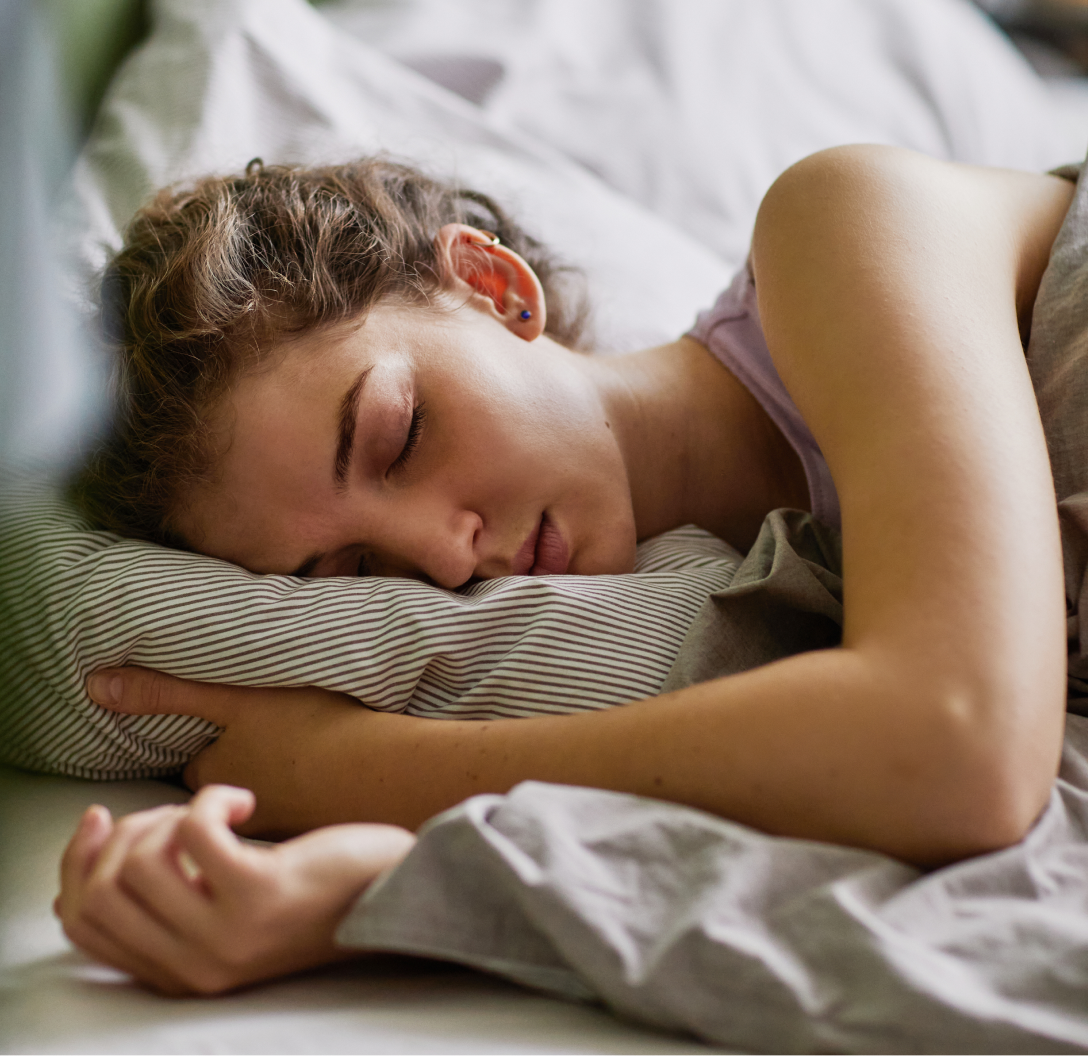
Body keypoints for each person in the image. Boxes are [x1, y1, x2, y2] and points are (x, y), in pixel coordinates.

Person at [57, 143, 1076, 995]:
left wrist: (345, 773)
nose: (443, 556)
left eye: (400, 435)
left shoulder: (840, 223)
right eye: (353, 571)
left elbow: (957, 744)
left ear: (493, 290)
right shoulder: (764, 624)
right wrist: (374, 886)